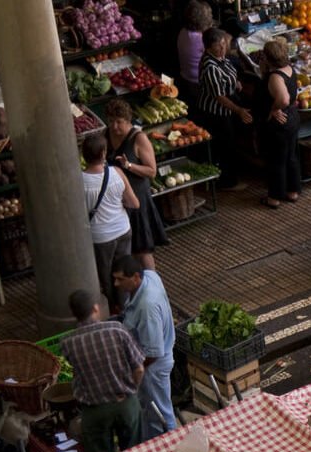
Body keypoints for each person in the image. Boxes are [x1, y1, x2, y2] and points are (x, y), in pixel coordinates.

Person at [60, 289, 145, 452]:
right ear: (96, 308)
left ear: (74, 314)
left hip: (94, 411)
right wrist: (131, 391)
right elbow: (139, 369)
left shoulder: (68, 343)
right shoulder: (117, 330)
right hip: (124, 403)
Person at [112, 258, 177, 439]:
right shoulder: (150, 275)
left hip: (153, 368)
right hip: (151, 358)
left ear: (135, 277)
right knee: (149, 409)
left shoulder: (147, 308)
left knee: (159, 413)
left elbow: (153, 353)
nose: (116, 284)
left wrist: (135, 370)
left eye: (120, 279)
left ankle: (168, 444)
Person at [106, 100, 169, 270]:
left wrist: (129, 166)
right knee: (127, 248)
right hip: (118, 199)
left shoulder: (138, 139)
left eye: (118, 122)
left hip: (138, 199)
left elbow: (151, 171)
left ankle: (153, 285)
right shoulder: (107, 135)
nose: (114, 126)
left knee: (142, 249)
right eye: (111, 121)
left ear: (127, 120)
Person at [81, 133, 137, 307]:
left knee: (106, 275)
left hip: (100, 237)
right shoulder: (116, 173)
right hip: (122, 229)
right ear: (104, 153)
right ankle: (125, 305)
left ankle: (113, 308)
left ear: (83, 156)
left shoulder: (79, 181)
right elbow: (134, 203)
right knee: (123, 271)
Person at [197, 27, 251, 191]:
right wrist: (239, 111)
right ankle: (227, 181)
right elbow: (219, 97)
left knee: (230, 143)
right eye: (218, 47)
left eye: (223, 45)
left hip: (227, 110)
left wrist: (235, 81)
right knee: (225, 146)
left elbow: (227, 69)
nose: (222, 49)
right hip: (216, 113)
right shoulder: (209, 67)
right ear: (208, 48)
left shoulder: (220, 58)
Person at [255, 38, 301, 209]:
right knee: (291, 156)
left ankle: (274, 197)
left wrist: (274, 109)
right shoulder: (289, 69)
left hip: (280, 122)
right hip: (293, 119)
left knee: (277, 160)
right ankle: (292, 191)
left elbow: (283, 98)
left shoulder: (275, 76)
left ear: (267, 57)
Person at [177, 0, 212, 108]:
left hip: (185, 76)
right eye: (210, 16)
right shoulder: (200, 39)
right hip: (198, 82)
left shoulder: (183, 32)